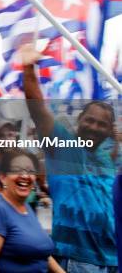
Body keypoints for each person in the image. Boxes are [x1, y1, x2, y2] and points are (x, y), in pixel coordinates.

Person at [21, 44, 119, 271]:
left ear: (109, 130)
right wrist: (28, 69)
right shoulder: (63, 147)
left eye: (101, 124)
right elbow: (38, 112)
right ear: (80, 120)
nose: (94, 127)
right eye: (90, 120)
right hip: (78, 260)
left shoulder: (106, 158)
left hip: (112, 258)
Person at [0, 150, 64, 273]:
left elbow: (40, 252)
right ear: (3, 177)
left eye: (30, 171)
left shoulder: (25, 206)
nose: (25, 176)